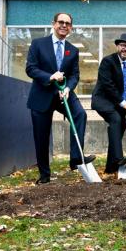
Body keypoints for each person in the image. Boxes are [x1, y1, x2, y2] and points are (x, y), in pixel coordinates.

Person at [26, 12, 95, 184]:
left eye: (68, 23)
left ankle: (76, 158)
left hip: (63, 93)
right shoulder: (38, 44)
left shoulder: (73, 50)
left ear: (71, 27)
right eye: (61, 22)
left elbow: (75, 75)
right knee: (41, 136)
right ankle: (44, 174)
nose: (64, 25)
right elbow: (31, 69)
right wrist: (50, 77)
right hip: (42, 94)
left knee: (80, 114)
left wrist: (69, 88)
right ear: (53, 24)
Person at [91, 33, 126, 175]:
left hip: (118, 103)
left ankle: (110, 168)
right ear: (117, 46)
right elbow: (108, 85)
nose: (125, 49)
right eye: (123, 45)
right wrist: (123, 103)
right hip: (103, 100)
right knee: (116, 120)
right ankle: (118, 158)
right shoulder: (108, 61)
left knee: (120, 127)